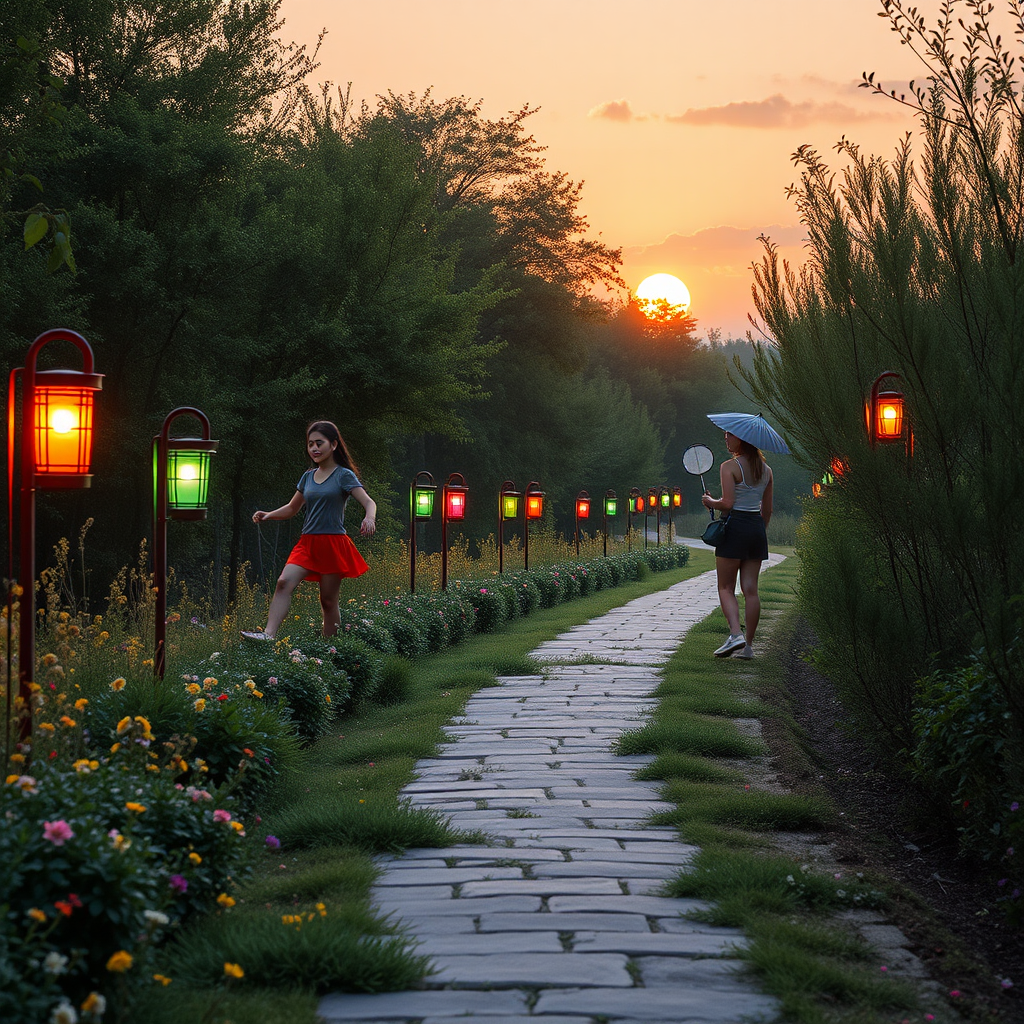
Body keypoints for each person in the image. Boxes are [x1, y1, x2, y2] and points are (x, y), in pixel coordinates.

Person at [242, 421, 376, 640]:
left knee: (328, 601)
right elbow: (292, 508)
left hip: (333, 543)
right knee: (284, 582)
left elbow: (369, 502)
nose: (314, 448)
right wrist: (268, 514)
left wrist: (369, 518)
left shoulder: (343, 475)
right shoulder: (307, 477)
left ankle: (331, 648)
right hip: (307, 543)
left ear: (333, 445)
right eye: (310, 444)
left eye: (319, 443)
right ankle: (268, 634)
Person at [701, 429, 773, 659]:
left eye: (729, 435)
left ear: (741, 438)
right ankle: (748, 648)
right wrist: (760, 531)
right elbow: (767, 509)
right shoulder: (767, 470)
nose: (726, 439)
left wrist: (710, 501)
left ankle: (735, 634)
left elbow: (728, 503)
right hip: (756, 528)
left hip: (735, 527)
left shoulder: (729, 466)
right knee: (751, 589)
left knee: (725, 587)